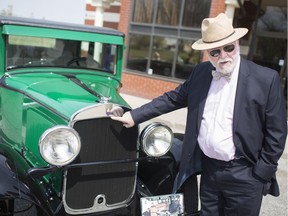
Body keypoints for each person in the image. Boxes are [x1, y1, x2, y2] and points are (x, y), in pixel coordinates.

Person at [110, 13, 287, 216]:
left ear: (237, 43)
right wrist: (134, 116)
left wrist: (260, 174)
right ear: (207, 53)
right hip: (210, 171)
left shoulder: (266, 79)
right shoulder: (201, 73)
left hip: (245, 174)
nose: (223, 56)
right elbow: (171, 99)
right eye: (215, 52)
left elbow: (277, 132)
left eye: (228, 48)